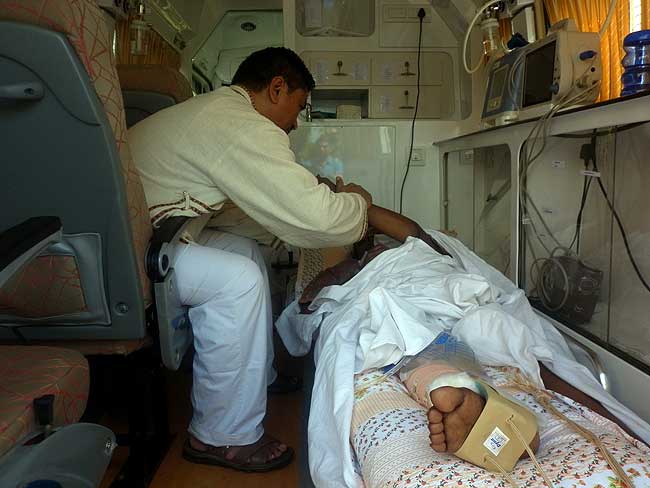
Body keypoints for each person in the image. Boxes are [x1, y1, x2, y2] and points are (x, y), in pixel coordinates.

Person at [128, 47, 373, 472]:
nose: (295, 123)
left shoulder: (217, 113)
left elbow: (242, 214)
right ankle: (220, 438)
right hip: (131, 249)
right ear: (277, 87)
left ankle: (258, 378)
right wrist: (358, 205)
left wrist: (289, 223)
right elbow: (319, 219)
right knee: (236, 280)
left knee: (244, 254)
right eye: (297, 107)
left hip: (152, 234)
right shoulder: (239, 123)